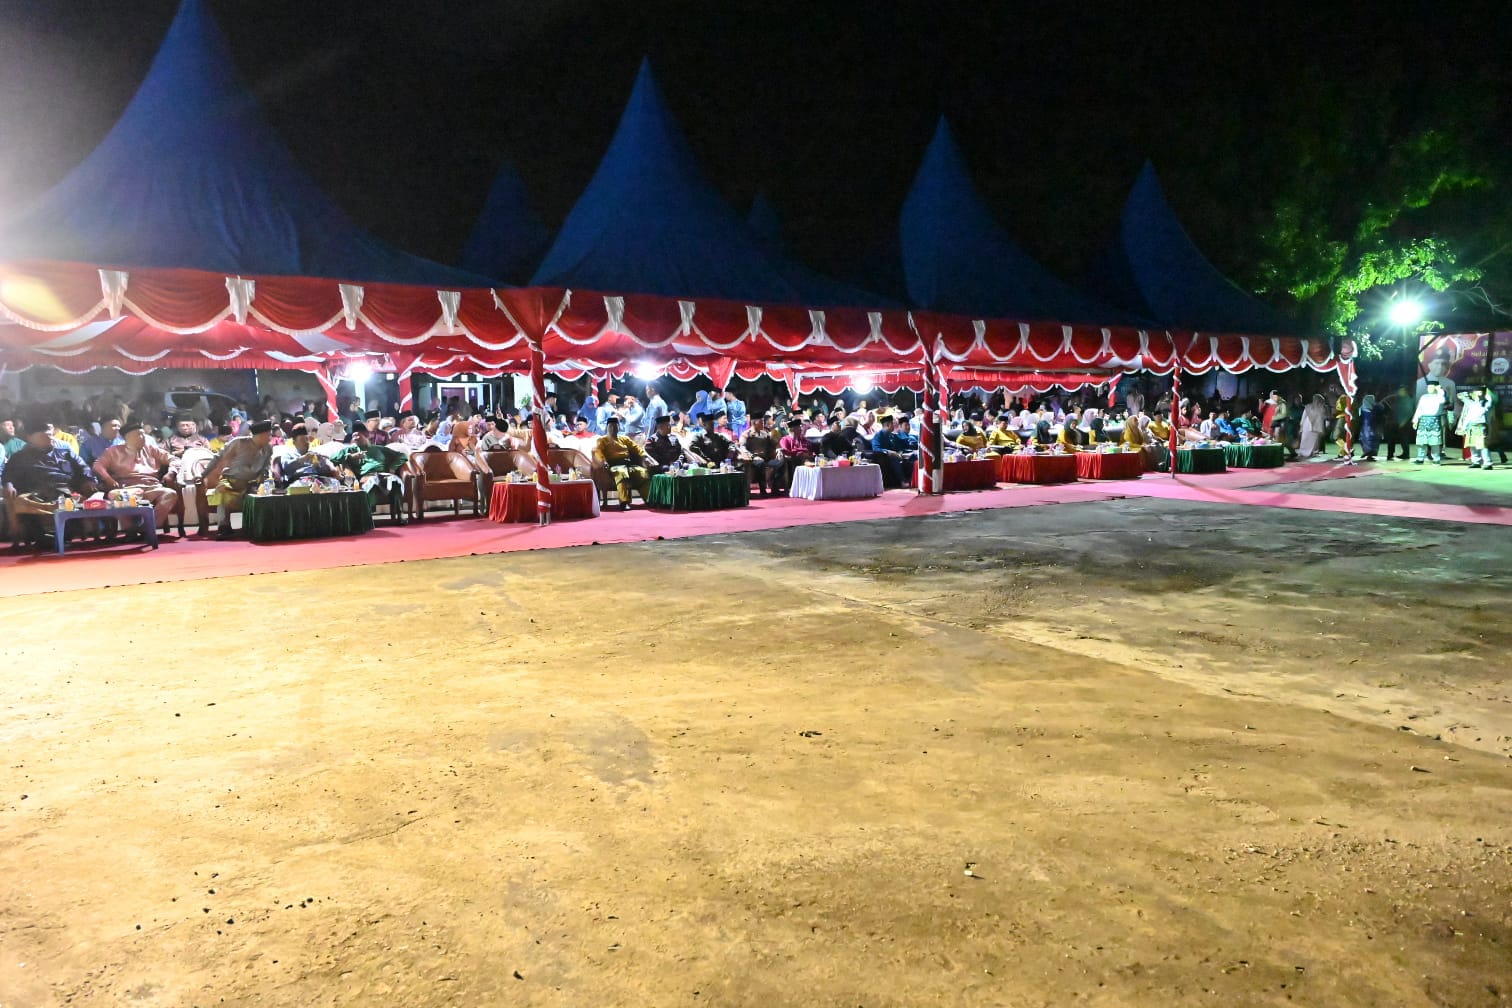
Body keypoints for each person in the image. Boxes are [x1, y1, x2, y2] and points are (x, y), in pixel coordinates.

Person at [0, 423, 99, 544]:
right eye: (44, 436)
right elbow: (8, 476)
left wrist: (89, 480)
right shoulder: (19, 457)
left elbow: (84, 468)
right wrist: (8, 485)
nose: (50, 439)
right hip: (34, 495)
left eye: (51, 435)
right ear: (30, 437)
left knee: (81, 498)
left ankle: (67, 533)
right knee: (23, 502)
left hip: (65, 493)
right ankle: (40, 536)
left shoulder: (66, 453)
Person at [92, 421, 179, 531]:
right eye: (139, 435)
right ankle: (130, 531)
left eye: (143, 434)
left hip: (152, 488)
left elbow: (174, 460)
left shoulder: (151, 449)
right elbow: (97, 466)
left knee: (170, 494)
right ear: (128, 438)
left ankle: (148, 527)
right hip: (127, 490)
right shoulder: (113, 451)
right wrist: (108, 479)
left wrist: (171, 473)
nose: (143, 437)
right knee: (116, 496)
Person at [203, 420, 274, 538]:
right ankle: (224, 526)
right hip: (231, 482)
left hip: (252, 485)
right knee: (222, 490)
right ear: (261, 435)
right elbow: (217, 458)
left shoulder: (268, 449)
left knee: (266, 493)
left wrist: (263, 475)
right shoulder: (238, 443)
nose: (270, 438)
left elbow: (266, 466)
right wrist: (202, 475)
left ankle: (255, 526)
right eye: (269, 435)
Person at [335, 427, 409, 519]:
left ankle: (400, 514)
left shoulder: (379, 448)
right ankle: (368, 516)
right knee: (371, 484)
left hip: (384, 474)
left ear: (366, 436)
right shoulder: (349, 450)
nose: (356, 438)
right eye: (353, 436)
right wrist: (350, 457)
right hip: (367, 476)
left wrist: (393, 467)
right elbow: (333, 459)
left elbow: (402, 456)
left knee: (395, 483)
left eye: (358, 435)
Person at [594, 416, 650, 508]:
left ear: (619, 427)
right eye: (611, 426)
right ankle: (624, 502)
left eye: (615, 426)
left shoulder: (624, 439)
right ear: (607, 427)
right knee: (621, 473)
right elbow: (598, 452)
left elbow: (637, 448)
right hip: (614, 465)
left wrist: (644, 456)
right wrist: (603, 461)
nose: (613, 428)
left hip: (628, 464)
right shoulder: (602, 440)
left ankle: (648, 499)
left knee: (642, 472)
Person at [737, 414, 783, 495]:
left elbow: (774, 444)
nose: (763, 423)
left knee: (780, 462)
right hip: (752, 459)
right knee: (760, 463)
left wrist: (778, 450)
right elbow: (742, 448)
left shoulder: (765, 434)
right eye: (761, 422)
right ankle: (763, 489)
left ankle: (775, 488)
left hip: (766, 458)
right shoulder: (746, 434)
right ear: (755, 423)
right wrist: (753, 456)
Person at [870, 414, 917, 488]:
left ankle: (911, 480)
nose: (894, 425)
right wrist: (889, 452)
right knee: (894, 458)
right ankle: (902, 481)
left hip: (897, 455)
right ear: (887, 425)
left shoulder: (892, 435)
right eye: (892, 424)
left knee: (913, 456)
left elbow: (902, 444)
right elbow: (876, 448)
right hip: (885, 457)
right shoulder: (878, 435)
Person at [1411, 381, 1447, 464]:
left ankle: (1436, 459)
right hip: (1423, 420)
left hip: (1434, 420)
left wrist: (1439, 390)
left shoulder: (1439, 396)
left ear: (1435, 387)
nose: (1429, 389)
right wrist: (1415, 420)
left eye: (1431, 387)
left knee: (1434, 442)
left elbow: (1442, 400)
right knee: (1421, 441)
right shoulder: (1424, 397)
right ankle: (1420, 458)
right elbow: (1419, 409)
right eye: (1428, 387)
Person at [1457, 388, 1492, 470]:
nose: (1478, 393)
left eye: (1480, 391)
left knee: (1482, 445)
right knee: (1472, 445)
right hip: (1471, 426)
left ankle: (1488, 463)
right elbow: (1468, 416)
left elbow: (1483, 410)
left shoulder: (1486, 403)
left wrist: (1485, 396)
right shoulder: (1471, 403)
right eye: (1476, 392)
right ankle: (1476, 462)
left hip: (1480, 426)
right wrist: (1464, 427)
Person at [1381, 386, 1415, 462]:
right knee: (1392, 439)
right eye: (1400, 390)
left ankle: (1405, 454)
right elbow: (1383, 403)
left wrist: (1403, 421)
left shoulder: (1407, 400)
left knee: (1403, 439)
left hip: (1402, 423)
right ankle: (1390, 454)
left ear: (1405, 391)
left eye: (1402, 390)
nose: (1400, 392)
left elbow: (1409, 412)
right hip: (1393, 422)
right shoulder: (1396, 398)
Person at [1298, 394, 1329, 459]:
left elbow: (1325, 417)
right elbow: (1303, 417)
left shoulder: (1322, 408)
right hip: (1307, 425)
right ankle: (1303, 452)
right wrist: (1301, 426)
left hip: (1317, 425)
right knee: (1305, 438)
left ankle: (1313, 452)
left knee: (1315, 440)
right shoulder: (1308, 406)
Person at [1357, 394, 1381, 461]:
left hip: (1368, 427)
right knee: (1368, 440)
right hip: (1369, 427)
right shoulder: (1375, 408)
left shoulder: (1365, 408)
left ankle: (1369, 454)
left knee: (1369, 441)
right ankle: (1368, 454)